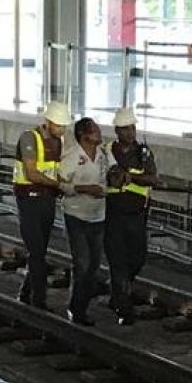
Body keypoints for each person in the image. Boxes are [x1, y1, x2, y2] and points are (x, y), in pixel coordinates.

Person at [104, 107, 158, 326]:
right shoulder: (106, 151)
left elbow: (152, 178)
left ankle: (119, 291)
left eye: (133, 128)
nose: (130, 133)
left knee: (137, 258)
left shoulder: (144, 153)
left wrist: (129, 178)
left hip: (136, 214)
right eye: (126, 129)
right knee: (117, 261)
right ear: (117, 130)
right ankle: (123, 308)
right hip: (112, 213)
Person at [13, 102, 69, 310]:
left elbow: (55, 170)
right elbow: (31, 173)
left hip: (47, 201)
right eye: (59, 125)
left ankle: (25, 293)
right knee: (37, 253)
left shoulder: (58, 142)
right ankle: (39, 301)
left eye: (64, 126)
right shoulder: (29, 138)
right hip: (29, 201)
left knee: (39, 251)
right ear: (48, 122)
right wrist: (60, 184)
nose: (62, 130)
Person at [59, 117, 111, 326]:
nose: (99, 133)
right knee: (82, 263)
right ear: (84, 135)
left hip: (98, 215)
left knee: (93, 265)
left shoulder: (103, 155)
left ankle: (82, 303)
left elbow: (111, 174)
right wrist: (83, 189)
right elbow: (61, 184)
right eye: (95, 130)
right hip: (76, 216)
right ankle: (76, 309)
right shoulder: (72, 157)